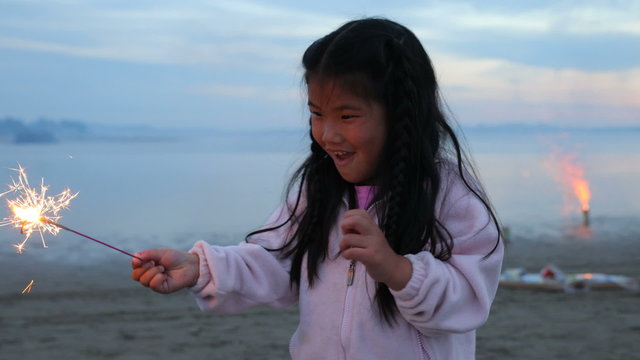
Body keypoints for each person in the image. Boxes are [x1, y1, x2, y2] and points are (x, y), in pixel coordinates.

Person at [132, 17, 504, 360]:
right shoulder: (320, 190)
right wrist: (199, 267)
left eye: (347, 116)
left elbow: (469, 301)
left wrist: (395, 269)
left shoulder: (450, 195)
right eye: (317, 114)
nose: (328, 134)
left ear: (402, 114)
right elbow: (276, 261)